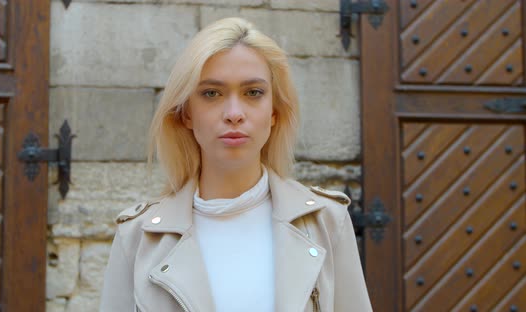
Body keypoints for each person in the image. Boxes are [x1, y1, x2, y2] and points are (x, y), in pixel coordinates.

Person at [100, 17, 372, 312]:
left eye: (253, 93)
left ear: (274, 113)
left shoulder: (327, 222)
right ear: (186, 114)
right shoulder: (138, 238)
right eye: (211, 94)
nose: (234, 113)